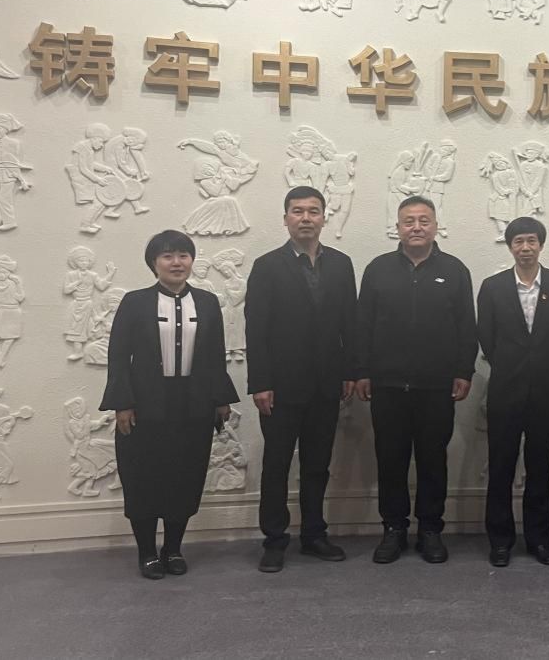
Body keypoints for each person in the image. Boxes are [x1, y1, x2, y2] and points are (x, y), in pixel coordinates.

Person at [99, 230, 239, 580]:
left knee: (185, 476)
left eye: (183, 255)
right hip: (145, 405)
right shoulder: (134, 302)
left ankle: (173, 549)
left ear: (192, 260)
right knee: (143, 478)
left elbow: (215, 355)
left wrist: (221, 398)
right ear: (154, 263)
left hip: (193, 405)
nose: (176, 262)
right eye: (167, 256)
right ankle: (147, 552)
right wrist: (122, 403)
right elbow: (118, 357)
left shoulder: (207, 302)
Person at [356, 196, 476, 564]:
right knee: (390, 460)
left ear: (436, 226)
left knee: (432, 460)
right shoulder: (378, 269)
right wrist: (361, 371)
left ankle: (430, 530)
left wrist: (464, 371)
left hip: (436, 386)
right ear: (398, 227)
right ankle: (393, 529)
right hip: (387, 385)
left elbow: (466, 327)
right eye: (409, 221)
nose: (417, 227)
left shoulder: (455, 270)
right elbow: (363, 324)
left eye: (424, 220)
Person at [245, 187, 357, 573]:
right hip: (279, 386)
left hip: (326, 384)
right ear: (286, 219)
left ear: (324, 218)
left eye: (313, 211)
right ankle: (275, 540)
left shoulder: (341, 264)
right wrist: (260, 382)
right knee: (276, 465)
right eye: (297, 211)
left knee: (317, 464)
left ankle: (313, 534)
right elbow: (255, 329)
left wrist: (349, 372)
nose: (306, 218)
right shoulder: (267, 266)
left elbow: (349, 323)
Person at [476, 217, 549, 566]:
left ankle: (539, 539)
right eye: (518, 241)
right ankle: (500, 541)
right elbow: (487, 337)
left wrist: (541, 364)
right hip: (505, 389)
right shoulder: (492, 287)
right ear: (510, 247)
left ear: (541, 245)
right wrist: (512, 364)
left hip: (545, 389)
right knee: (500, 467)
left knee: (539, 467)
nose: (526, 247)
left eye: (532, 240)